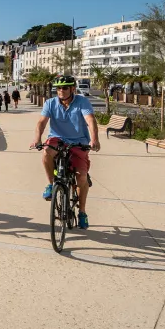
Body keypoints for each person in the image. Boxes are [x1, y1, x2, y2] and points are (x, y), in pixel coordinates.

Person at [30, 75, 100, 229]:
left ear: (72, 89)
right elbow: (41, 122)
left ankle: (82, 212)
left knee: (81, 178)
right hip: (57, 139)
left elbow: (90, 120)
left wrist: (94, 139)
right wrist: (37, 139)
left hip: (79, 142)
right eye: (58, 88)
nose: (61, 91)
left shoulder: (82, 101)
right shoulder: (50, 103)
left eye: (65, 88)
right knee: (46, 151)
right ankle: (51, 185)